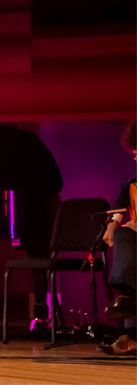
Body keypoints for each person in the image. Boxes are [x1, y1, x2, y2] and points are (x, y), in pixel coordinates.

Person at [100, 121, 137, 355]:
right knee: (122, 233)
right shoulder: (133, 182)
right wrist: (112, 225)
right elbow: (118, 207)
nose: (136, 158)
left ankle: (131, 336)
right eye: (135, 154)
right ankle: (126, 293)